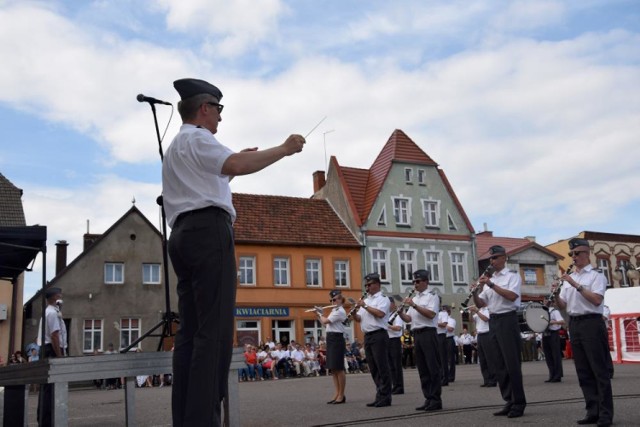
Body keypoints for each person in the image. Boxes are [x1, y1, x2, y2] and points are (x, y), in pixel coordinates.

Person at [162, 78, 305, 427]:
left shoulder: (177, 146)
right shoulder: (198, 137)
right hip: (209, 232)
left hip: (182, 234)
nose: (221, 119)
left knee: (191, 332)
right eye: (219, 110)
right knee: (215, 333)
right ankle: (203, 419)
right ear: (205, 108)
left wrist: (240, 162)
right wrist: (284, 149)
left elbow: (217, 178)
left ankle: (186, 417)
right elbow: (236, 165)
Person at [555, 238, 613, 427]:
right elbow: (563, 306)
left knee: (599, 370)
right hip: (575, 324)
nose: (574, 257)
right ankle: (592, 411)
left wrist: (576, 285)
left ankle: (605, 414)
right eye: (571, 254)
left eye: (577, 253)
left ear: (587, 253)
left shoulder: (596, 276)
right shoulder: (569, 277)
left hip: (592, 323)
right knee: (583, 371)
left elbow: (596, 300)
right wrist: (555, 295)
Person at [473, 245, 527, 419]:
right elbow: (482, 304)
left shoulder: (512, 276)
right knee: (499, 365)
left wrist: (490, 284)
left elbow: (512, 296)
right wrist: (475, 292)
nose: (492, 261)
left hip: (508, 319)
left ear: (504, 258)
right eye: (491, 258)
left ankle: (518, 402)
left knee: (511, 364)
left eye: (495, 257)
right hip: (494, 321)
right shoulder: (490, 279)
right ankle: (508, 400)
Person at [398, 269, 442, 412]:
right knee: (422, 368)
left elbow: (430, 314)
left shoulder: (432, 296)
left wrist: (414, 305)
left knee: (432, 367)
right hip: (417, 334)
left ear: (425, 282)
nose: (415, 284)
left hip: (429, 333)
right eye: (414, 282)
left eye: (417, 281)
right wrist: (400, 312)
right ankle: (428, 398)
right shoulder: (415, 298)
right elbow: (409, 319)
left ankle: (436, 399)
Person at [353, 273, 392, 407]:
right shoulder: (367, 300)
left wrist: (364, 306)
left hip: (379, 335)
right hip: (368, 336)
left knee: (382, 366)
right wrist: (353, 313)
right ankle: (379, 394)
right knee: (374, 368)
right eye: (366, 285)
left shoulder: (382, 299)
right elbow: (359, 319)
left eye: (369, 285)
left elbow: (380, 314)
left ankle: (386, 396)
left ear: (377, 284)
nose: (367, 288)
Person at [37, 287, 66, 427]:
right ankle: (47, 421)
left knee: (47, 388)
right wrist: (59, 356)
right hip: (52, 349)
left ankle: (44, 419)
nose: (61, 296)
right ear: (55, 297)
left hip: (47, 348)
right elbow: (55, 335)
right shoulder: (52, 313)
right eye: (59, 294)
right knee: (50, 388)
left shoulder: (50, 312)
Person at [318, 289, 347, 403]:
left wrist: (320, 314)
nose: (333, 302)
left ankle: (342, 394)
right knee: (333, 369)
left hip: (337, 339)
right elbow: (326, 325)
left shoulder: (339, 311)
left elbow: (326, 321)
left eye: (334, 299)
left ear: (340, 299)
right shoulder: (334, 310)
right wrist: (318, 315)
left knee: (339, 368)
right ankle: (337, 393)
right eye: (331, 300)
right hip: (331, 337)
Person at [469, 305, 497, 387]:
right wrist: (470, 312)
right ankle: (486, 380)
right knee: (482, 359)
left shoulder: (487, 309)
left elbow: (486, 319)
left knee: (489, 358)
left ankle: (493, 379)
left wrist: (477, 311)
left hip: (487, 334)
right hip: (480, 335)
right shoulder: (480, 310)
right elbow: (471, 320)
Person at [542, 302, 565, 383]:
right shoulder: (542, 311)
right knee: (548, 356)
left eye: (546, 300)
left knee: (555, 355)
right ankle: (551, 375)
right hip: (545, 334)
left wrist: (553, 322)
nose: (545, 302)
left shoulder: (554, 311)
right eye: (544, 300)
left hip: (553, 334)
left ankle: (557, 375)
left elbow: (562, 321)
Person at [387, 297, 405, 394]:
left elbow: (398, 328)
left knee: (396, 365)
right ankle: (394, 385)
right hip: (387, 340)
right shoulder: (387, 315)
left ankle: (399, 386)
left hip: (395, 341)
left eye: (388, 303)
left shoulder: (397, 315)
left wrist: (387, 325)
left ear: (393, 304)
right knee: (390, 365)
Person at [436, 304, 449, 386]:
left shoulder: (443, 313)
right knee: (437, 358)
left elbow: (444, 324)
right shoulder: (434, 313)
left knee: (442, 358)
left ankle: (445, 378)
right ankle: (439, 377)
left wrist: (435, 323)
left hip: (441, 335)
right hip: (434, 335)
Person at [444, 306, 457, 381]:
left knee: (450, 359)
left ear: (448, 312)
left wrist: (442, 324)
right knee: (443, 358)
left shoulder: (451, 320)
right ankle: (445, 375)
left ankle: (451, 376)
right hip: (442, 338)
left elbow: (450, 329)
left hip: (449, 339)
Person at [602, 305, 614, 379]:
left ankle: (609, 371)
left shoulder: (604, 308)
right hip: (590, 330)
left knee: (605, 350)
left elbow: (604, 317)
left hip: (602, 330)